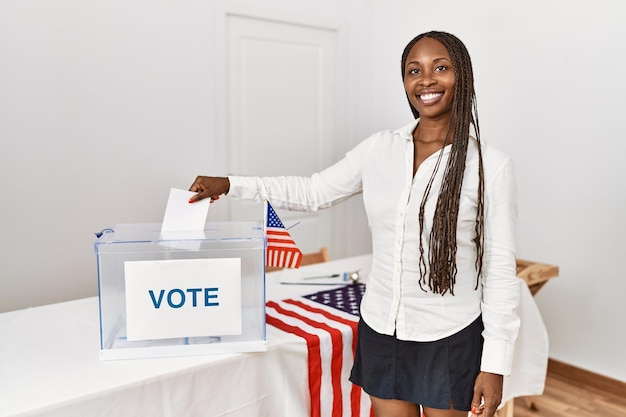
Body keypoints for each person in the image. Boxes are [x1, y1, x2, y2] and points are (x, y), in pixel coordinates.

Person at [189, 30, 520, 417]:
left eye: (440, 68)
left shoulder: (490, 166)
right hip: (381, 327)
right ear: (405, 82)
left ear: (462, 76)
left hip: (447, 334)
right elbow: (313, 191)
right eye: (414, 70)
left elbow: (499, 268)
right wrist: (231, 185)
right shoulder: (380, 149)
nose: (426, 80)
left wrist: (494, 363)